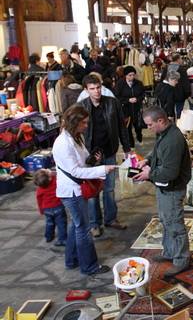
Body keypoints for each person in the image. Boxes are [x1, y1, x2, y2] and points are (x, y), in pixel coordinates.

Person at [52, 105, 117, 275]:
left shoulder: (75, 137)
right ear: (75, 123)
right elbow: (75, 171)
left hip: (76, 188)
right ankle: (89, 267)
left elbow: (81, 163)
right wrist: (102, 169)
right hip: (72, 191)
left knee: (77, 225)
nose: (87, 126)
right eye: (84, 123)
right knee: (83, 229)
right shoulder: (63, 143)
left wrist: (93, 160)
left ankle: (71, 260)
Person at [133, 106, 191, 277]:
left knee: (175, 224)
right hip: (164, 187)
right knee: (166, 221)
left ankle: (181, 259)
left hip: (172, 188)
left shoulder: (173, 141)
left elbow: (170, 173)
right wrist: (148, 160)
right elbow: (157, 152)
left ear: (160, 121)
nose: (148, 128)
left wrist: (148, 174)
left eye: (150, 125)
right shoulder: (164, 133)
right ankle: (169, 252)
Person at [79, 75, 131, 237]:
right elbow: (77, 132)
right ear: (86, 90)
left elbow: (122, 127)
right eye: (92, 89)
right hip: (91, 156)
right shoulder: (81, 107)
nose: (96, 91)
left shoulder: (112, 103)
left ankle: (111, 219)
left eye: (98, 87)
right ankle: (95, 223)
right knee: (93, 192)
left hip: (109, 151)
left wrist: (127, 148)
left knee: (109, 189)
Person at [34, 169, 67, 247]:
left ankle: (49, 237)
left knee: (49, 223)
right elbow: (59, 176)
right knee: (61, 224)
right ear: (49, 178)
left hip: (47, 209)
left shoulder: (40, 189)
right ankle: (62, 239)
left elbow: (39, 200)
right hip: (58, 207)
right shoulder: (55, 181)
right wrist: (52, 173)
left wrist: (41, 210)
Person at [115, 66, 145, 147]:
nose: (132, 77)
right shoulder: (120, 84)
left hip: (137, 108)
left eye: (133, 75)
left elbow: (142, 94)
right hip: (125, 110)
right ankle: (131, 145)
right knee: (127, 128)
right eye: (130, 75)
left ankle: (139, 137)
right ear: (125, 75)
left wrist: (138, 99)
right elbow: (117, 97)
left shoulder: (139, 83)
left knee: (138, 126)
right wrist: (127, 100)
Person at [161, 54, 191, 118]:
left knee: (169, 111)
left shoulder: (166, 68)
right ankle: (178, 123)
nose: (181, 60)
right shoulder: (182, 69)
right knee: (179, 111)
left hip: (168, 93)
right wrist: (188, 93)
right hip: (179, 94)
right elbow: (185, 82)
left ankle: (171, 124)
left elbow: (162, 80)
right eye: (181, 59)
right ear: (178, 60)